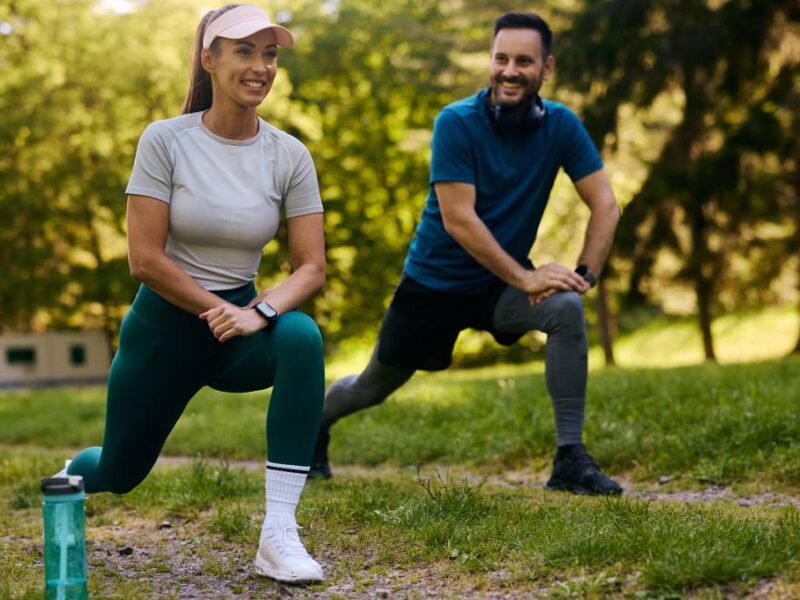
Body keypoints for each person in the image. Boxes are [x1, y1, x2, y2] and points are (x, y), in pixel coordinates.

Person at [57, 4, 328, 583]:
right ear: (209, 59)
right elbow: (144, 259)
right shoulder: (166, 141)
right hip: (165, 331)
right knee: (120, 471)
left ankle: (279, 531)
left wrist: (260, 311)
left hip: (238, 332)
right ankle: (70, 477)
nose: (261, 66)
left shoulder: (290, 154)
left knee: (301, 336)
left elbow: (311, 267)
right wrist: (221, 308)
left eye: (270, 53)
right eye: (245, 51)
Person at [312, 12, 623, 495]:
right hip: (433, 286)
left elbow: (605, 202)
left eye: (524, 60)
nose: (510, 70)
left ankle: (569, 459)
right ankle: (314, 424)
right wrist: (526, 277)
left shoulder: (561, 126)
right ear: (490, 62)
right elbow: (460, 220)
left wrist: (584, 275)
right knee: (372, 387)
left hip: (497, 287)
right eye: (501, 58)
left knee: (565, 307)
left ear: (547, 67)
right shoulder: (456, 122)